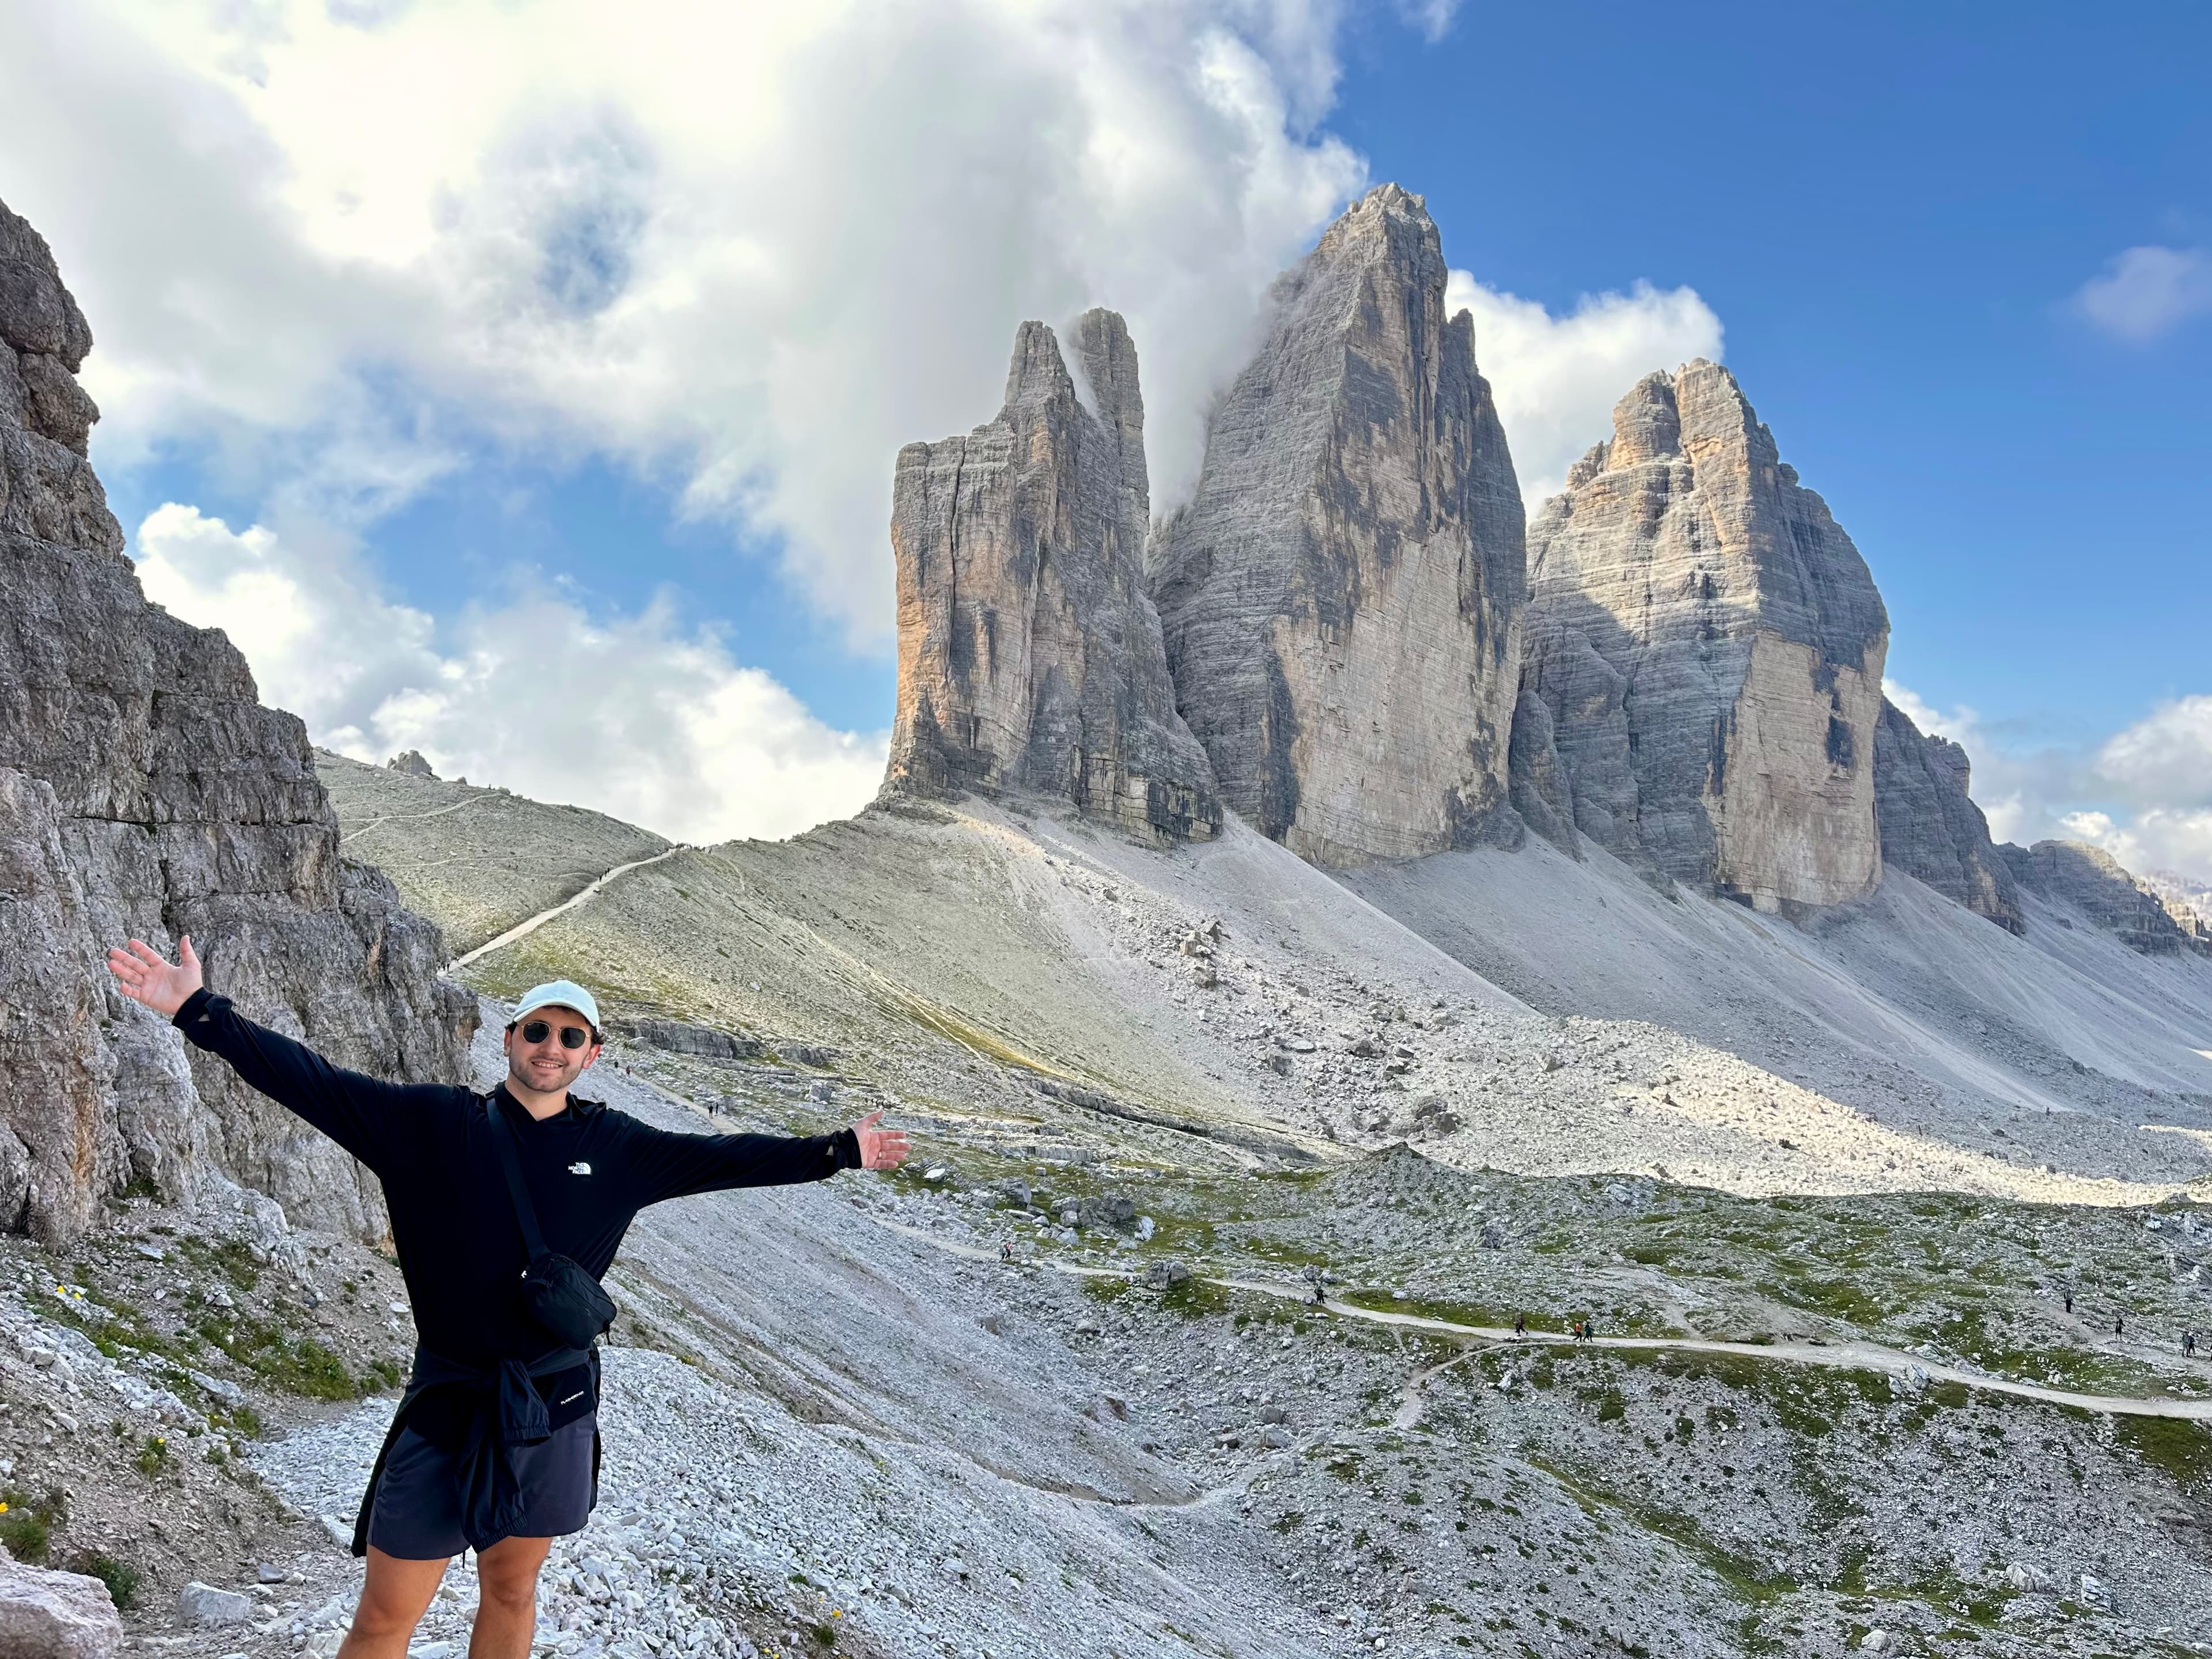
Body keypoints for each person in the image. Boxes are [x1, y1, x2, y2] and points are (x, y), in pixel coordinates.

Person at [107, 937, 909, 1659]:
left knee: (514, 1589)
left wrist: (839, 1150)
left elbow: (726, 1157)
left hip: (552, 1405)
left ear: (591, 1054)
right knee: (387, 1615)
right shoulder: (429, 1124)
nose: (551, 1047)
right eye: (537, 1030)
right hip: (450, 1402)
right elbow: (315, 1084)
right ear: (510, 1039)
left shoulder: (619, 1148)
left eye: (571, 1036)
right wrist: (197, 1011)